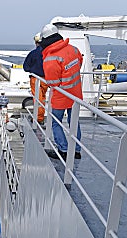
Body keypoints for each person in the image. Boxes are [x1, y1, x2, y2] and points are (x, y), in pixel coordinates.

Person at [40, 24, 82, 160]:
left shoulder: (50, 58)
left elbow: (52, 82)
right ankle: (76, 151)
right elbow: (79, 63)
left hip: (61, 96)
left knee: (56, 122)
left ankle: (63, 150)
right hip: (75, 93)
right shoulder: (73, 49)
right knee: (74, 121)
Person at [23, 33, 49, 125]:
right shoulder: (48, 53)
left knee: (38, 99)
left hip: (35, 79)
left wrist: (33, 69)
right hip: (46, 80)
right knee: (42, 98)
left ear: (36, 42)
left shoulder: (33, 54)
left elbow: (25, 67)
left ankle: (39, 118)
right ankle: (40, 116)